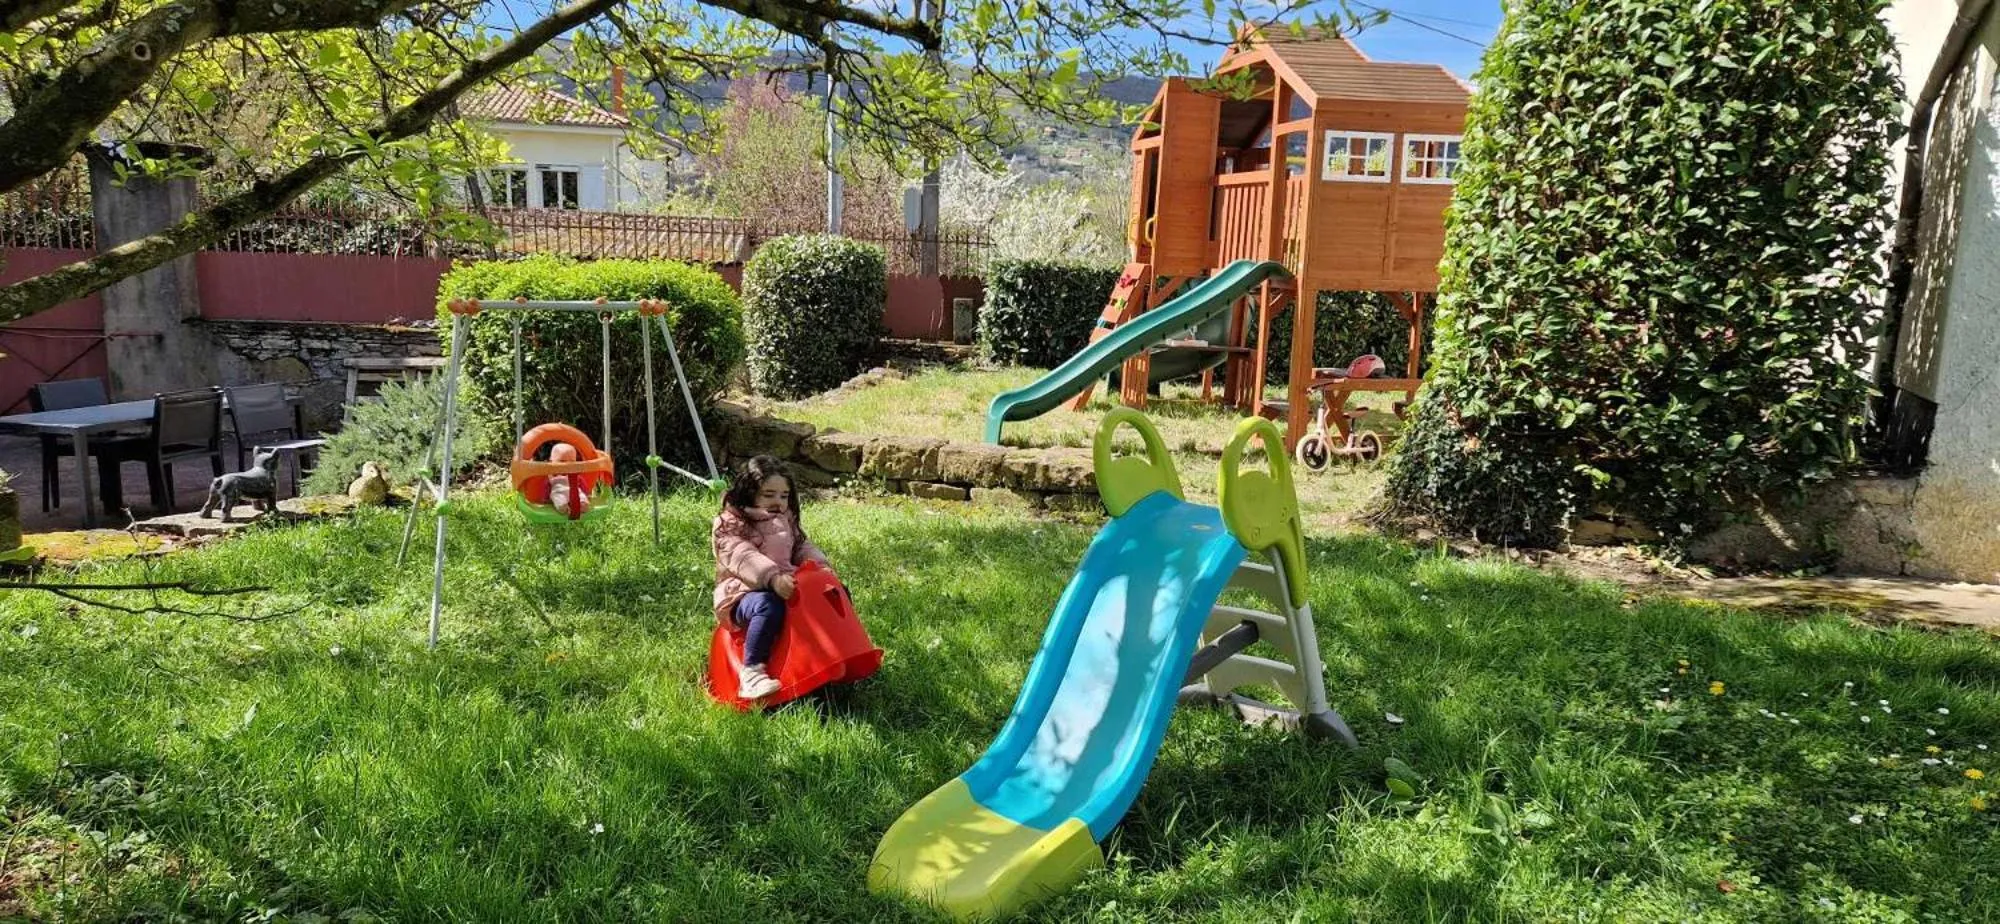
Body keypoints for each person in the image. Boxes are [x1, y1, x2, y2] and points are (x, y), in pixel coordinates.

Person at [712, 455, 833, 701]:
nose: (778, 502)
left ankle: (835, 652)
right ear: (749, 492)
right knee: (768, 605)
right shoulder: (730, 524)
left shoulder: (785, 519)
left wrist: (819, 567)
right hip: (741, 594)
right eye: (769, 495)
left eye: (784, 495)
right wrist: (772, 578)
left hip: (784, 583)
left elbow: (800, 546)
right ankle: (752, 672)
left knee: (831, 594)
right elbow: (742, 555)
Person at [545, 443, 591, 520]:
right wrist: (545, 498)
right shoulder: (550, 476)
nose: (567, 465)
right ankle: (564, 507)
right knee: (557, 498)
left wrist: (587, 493)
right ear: (551, 462)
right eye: (562, 461)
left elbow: (582, 484)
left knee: (582, 497)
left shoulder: (575, 475)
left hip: (576, 492)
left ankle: (582, 505)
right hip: (559, 492)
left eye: (571, 462)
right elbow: (546, 486)